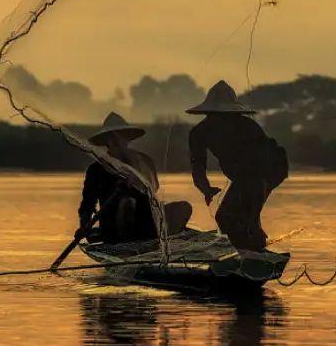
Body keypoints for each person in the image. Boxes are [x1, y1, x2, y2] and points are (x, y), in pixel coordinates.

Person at [187, 80, 289, 251]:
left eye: (226, 116)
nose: (222, 120)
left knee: (234, 216)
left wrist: (254, 212)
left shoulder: (248, 127)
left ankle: (254, 245)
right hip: (242, 176)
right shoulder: (199, 133)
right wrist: (206, 189)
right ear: (209, 114)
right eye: (216, 116)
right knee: (229, 218)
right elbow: (197, 167)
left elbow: (262, 170)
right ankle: (244, 248)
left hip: (269, 169)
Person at [78, 112, 192, 243]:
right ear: (106, 141)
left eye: (120, 137)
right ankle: (128, 244)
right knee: (127, 203)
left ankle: (160, 238)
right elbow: (87, 204)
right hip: (115, 227)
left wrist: (135, 181)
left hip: (147, 222)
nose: (116, 141)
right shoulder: (96, 169)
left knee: (184, 207)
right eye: (112, 137)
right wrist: (84, 226)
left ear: (127, 138)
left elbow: (153, 187)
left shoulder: (143, 160)